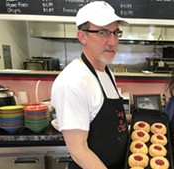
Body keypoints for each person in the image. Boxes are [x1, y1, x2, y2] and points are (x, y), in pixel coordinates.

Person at [51, 1, 129, 169]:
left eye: (116, 33)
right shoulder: (72, 81)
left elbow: (110, 120)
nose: (112, 41)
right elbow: (78, 151)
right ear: (82, 36)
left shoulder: (107, 72)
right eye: (103, 32)